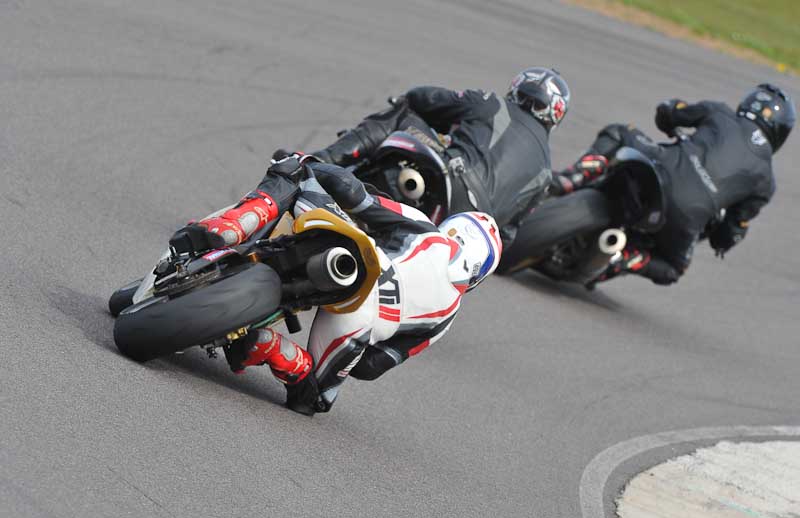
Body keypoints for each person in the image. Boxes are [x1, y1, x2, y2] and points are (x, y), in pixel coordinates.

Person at [173, 155, 501, 415]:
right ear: (480, 274)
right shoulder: (447, 317)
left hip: (352, 252)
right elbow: (372, 368)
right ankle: (276, 350)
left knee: (296, 172)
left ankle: (236, 223)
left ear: (452, 227)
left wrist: (310, 162)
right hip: (356, 323)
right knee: (313, 400)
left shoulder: (426, 228)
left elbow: (356, 196)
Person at [550, 83, 795, 286]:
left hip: (660, 168)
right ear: (781, 132)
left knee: (620, 132)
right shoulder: (765, 181)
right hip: (687, 217)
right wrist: (724, 238)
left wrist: (669, 116)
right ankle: (620, 258)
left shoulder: (720, 112)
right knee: (673, 268)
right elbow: (729, 233)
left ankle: (573, 178)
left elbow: (670, 112)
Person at [311, 67, 570, 237]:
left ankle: (317, 163)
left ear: (517, 88)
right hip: (467, 233)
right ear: (556, 113)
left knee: (403, 113)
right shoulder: (546, 172)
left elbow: (421, 98)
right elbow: (508, 236)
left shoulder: (493, 103)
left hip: (451, 179)